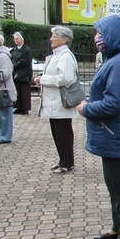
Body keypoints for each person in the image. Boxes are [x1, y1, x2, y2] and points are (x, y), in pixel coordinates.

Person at [77, 15, 120, 239]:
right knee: (114, 186)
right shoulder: (115, 59)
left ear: (113, 35)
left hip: (116, 133)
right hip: (113, 133)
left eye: (101, 34)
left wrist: (86, 109)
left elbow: (112, 103)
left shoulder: (117, 63)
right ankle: (117, 229)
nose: (97, 38)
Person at [34, 26, 79, 173]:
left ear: (64, 39)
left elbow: (64, 78)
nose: (51, 39)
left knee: (63, 134)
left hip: (60, 101)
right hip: (54, 101)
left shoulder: (65, 56)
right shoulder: (56, 55)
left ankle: (67, 162)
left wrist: (43, 79)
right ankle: (63, 160)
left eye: (55, 36)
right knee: (57, 133)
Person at [11, 32, 33, 114]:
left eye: (17, 39)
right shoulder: (14, 50)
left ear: (22, 39)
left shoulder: (27, 50)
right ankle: (18, 107)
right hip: (16, 73)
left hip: (24, 73)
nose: (15, 40)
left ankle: (25, 108)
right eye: (14, 39)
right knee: (18, 91)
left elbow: (24, 61)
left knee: (24, 91)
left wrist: (15, 65)